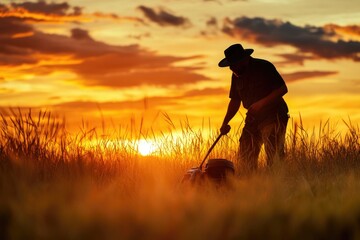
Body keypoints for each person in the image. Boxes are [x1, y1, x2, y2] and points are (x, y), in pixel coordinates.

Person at [219, 43, 289, 174]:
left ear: (244, 59)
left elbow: (282, 89)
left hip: (274, 115)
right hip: (253, 119)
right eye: (231, 66)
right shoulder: (236, 75)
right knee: (245, 154)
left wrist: (261, 104)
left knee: (273, 155)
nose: (232, 68)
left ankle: (276, 183)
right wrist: (225, 122)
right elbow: (235, 100)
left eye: (234, 64)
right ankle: (252, 184)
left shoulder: (264, 66)